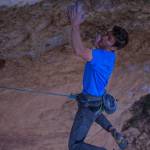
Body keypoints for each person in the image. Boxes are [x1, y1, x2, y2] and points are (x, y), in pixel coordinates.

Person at [67, 2, 129, 150]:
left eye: (108, 39)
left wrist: (75, 24)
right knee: (93, 112)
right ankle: (112, 130)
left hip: (90, 102)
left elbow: (79, 50)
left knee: (74, 146)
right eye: (107, 34)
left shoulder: (101, 56)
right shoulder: (110, 55)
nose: (104, 37)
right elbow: (98, 57)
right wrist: (99, 45)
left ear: (113, 47)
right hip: (95, 100)